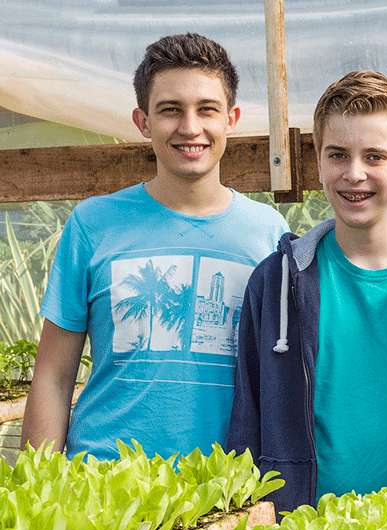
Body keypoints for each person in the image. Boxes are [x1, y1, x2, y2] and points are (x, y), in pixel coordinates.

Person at [21, 33, 289, 461]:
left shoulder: (268, 232)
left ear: (231, 118)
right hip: (103, 482)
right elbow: (53, 376)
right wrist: (40, 489)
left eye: (207, 109)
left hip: (225, 488)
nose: (190, 127)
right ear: (143, 122)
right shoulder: (92, 224)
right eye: (170, 110)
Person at [227, 70, 387, 517]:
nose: (354, 174)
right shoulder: (276, 282)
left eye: (375, 156)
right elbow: (247, 419)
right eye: (338, 155)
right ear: (317, 163)